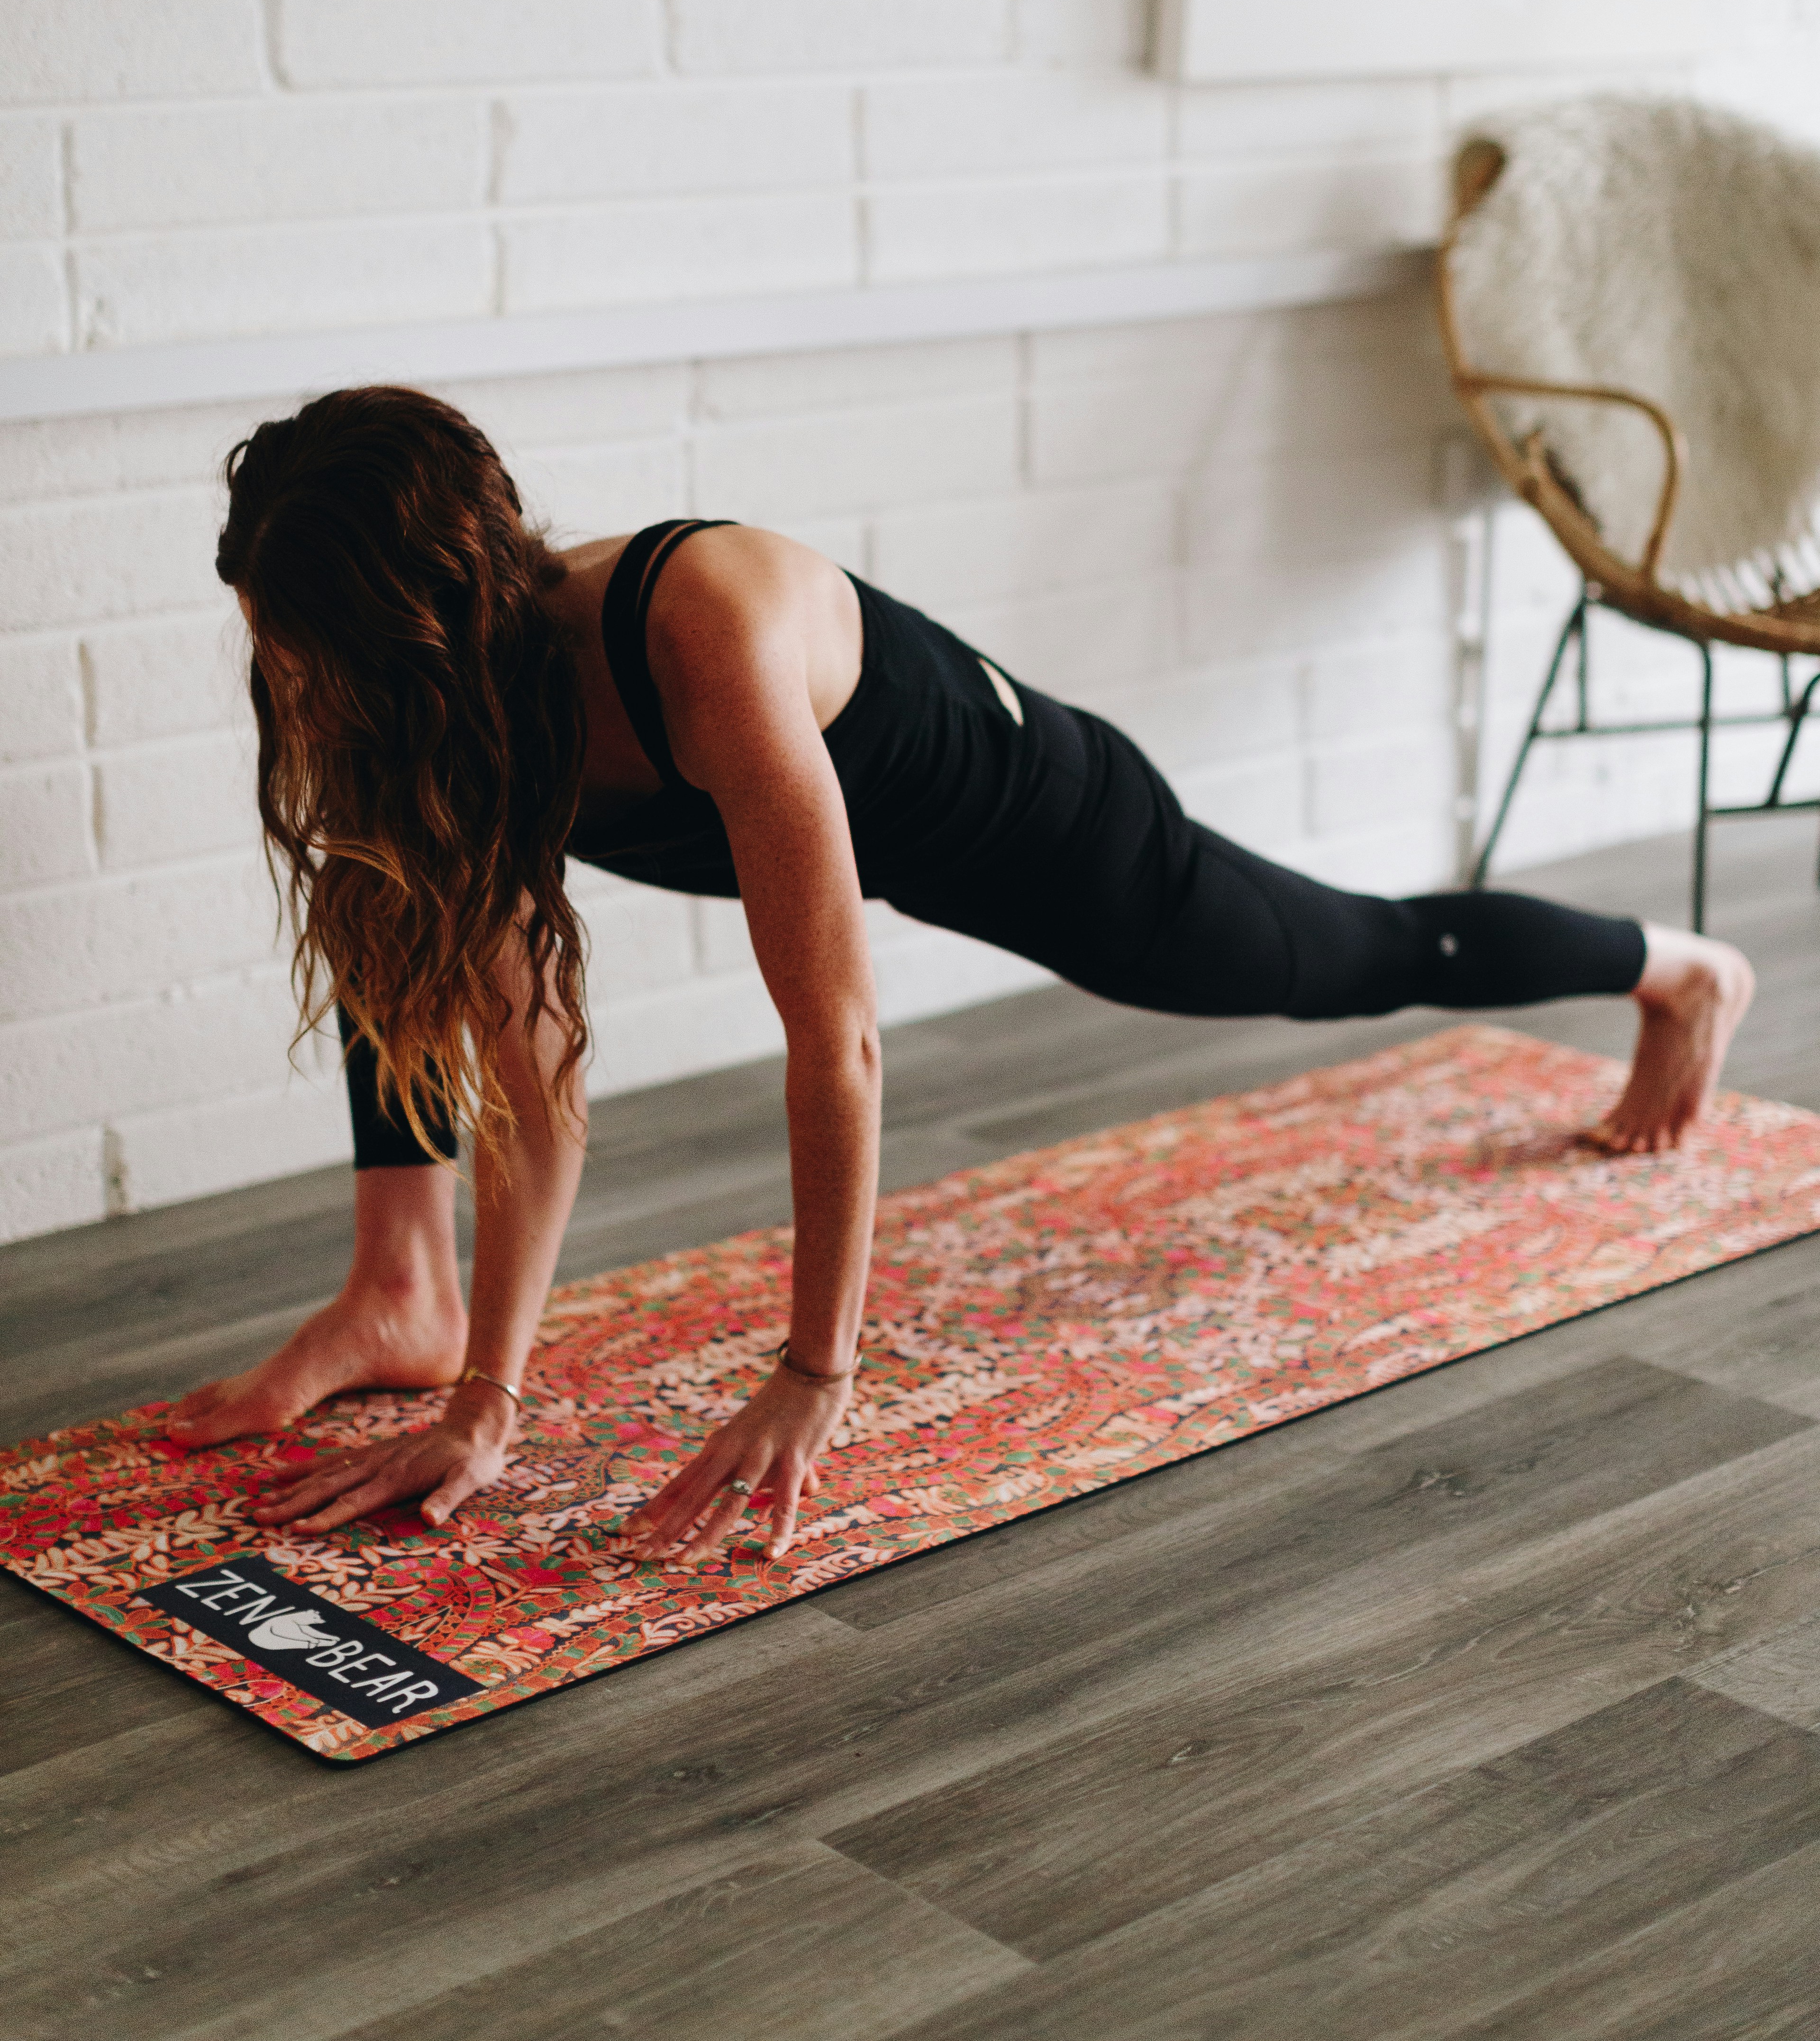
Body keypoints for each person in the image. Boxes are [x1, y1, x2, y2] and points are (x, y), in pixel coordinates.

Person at [172, 387, 1755, 1566]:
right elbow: (531, 1086)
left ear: (417, 630)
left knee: (1334, 957)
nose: (285, 694)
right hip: (865, 827)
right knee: (391, 885)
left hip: (1044, 817)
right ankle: (406, 1294)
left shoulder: (693, 625)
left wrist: (815, 1371)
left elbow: (838, 1044)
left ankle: (1673, 969)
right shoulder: (456, 728)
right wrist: (488, 1401)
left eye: (302, 659)